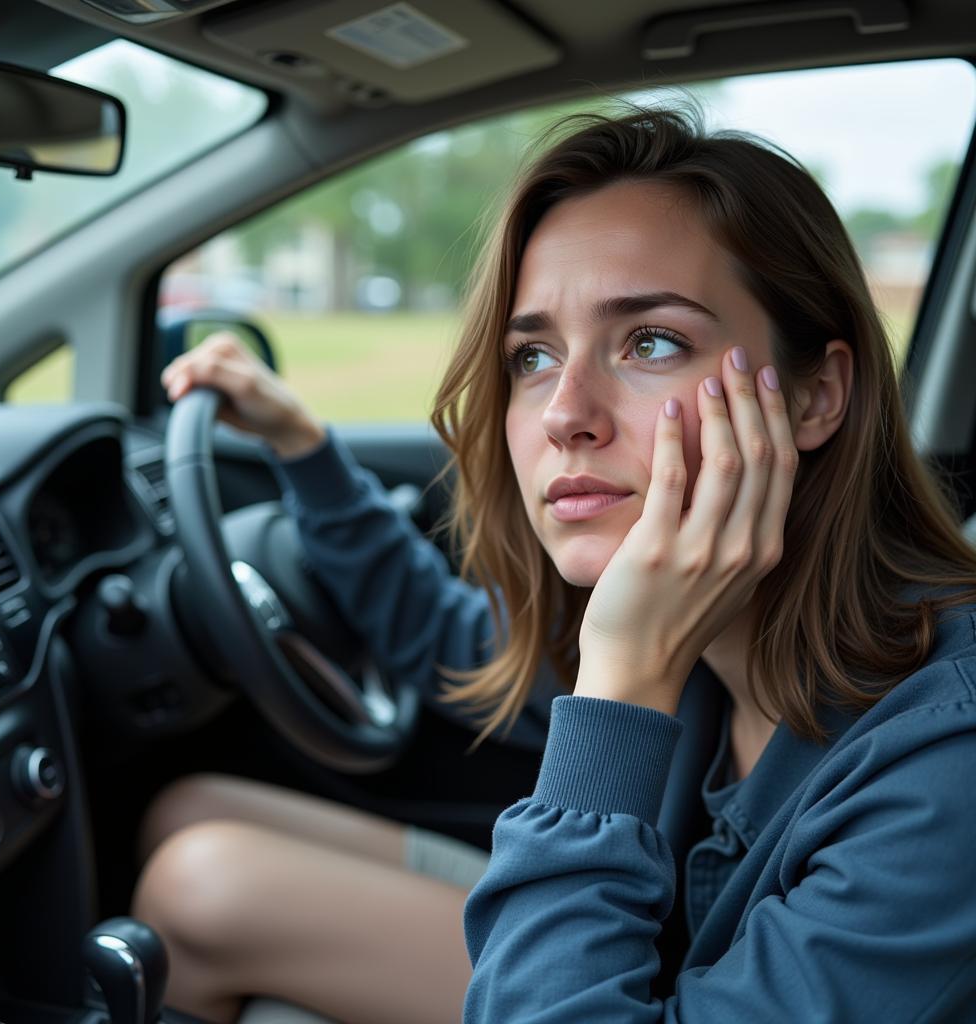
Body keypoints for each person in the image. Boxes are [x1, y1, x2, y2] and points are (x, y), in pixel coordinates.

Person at [137, 105, 976, 1024]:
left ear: (817, 396)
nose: (563, 410)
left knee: (200, 884)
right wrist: (305, 453)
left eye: (651, 341)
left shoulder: (944, 765)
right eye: (532, 355)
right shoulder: (702, 614)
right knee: (188, 812)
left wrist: (626, 682)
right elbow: (457, 646)